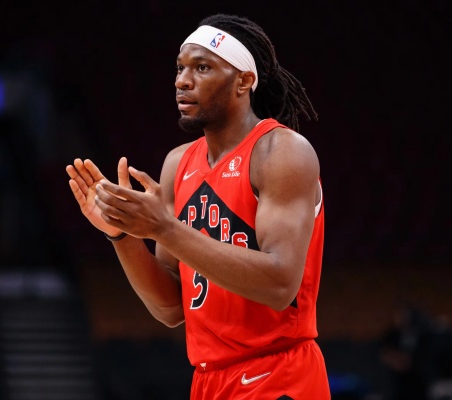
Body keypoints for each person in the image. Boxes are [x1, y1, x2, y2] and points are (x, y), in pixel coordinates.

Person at [66, 13, 330, 399]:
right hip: (208, 379)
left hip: (277, 373)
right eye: (180, 68)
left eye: (202, 68)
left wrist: (163, 228)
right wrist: (121, 234)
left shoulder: (281, 151)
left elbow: (280, 283)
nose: (182, 81)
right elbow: (172, 309)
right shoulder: (178, 163)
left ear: (244, 81)